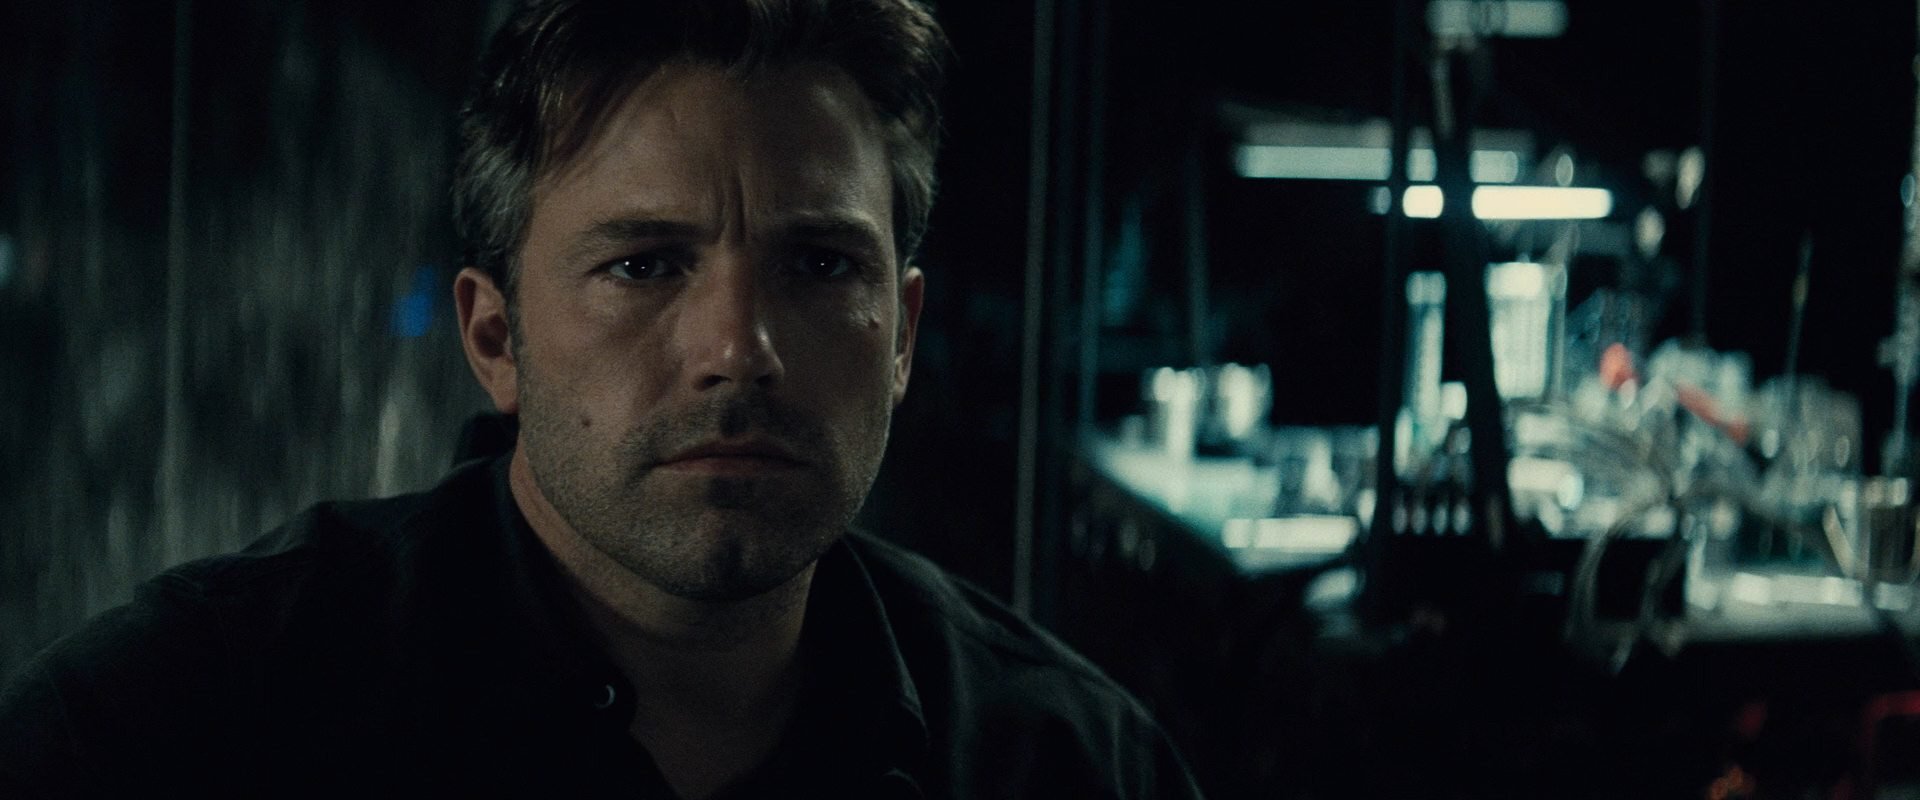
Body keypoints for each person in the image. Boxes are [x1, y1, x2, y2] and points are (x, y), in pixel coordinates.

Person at [0, 1, 1204, 796]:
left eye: (821, 264)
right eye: (644, 264)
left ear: (903, 336)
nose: (739, 348)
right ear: (495, 337)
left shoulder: (1070, 764)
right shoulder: (170, 731)